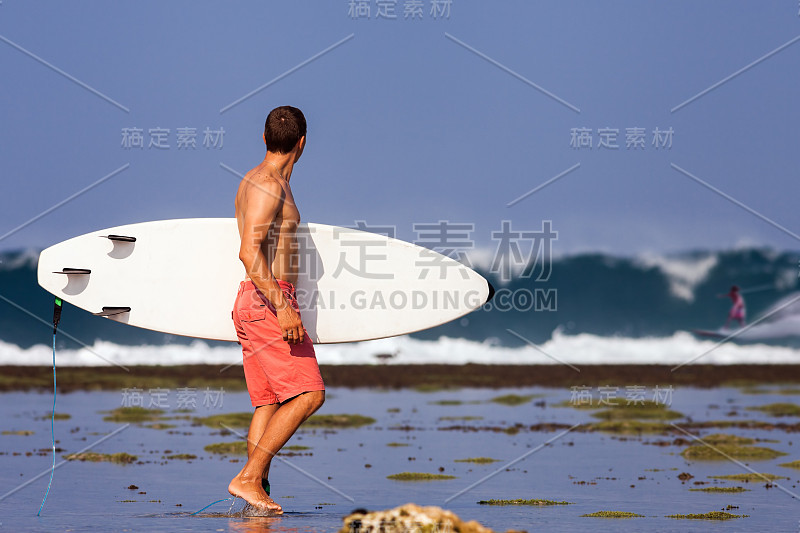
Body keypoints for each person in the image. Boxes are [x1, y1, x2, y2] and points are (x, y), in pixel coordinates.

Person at [228, 106, 325, 513]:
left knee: (268, 402)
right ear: (302, 143)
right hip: (269, 300)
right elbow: (249, 252)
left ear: (263, 137)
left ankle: (255, 495)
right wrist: (285, 308)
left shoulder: (258, 181)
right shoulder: (269, 186)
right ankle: (248, 478)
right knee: (309, 394)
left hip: (254, 300)